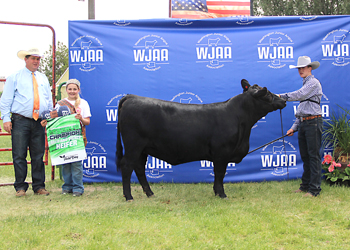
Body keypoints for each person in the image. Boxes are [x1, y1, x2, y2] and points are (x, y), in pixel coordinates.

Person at [0, 47, 53, 197]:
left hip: (39, 121)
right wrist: (5, 118)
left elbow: (47, 100)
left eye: (38, 59)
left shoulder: (43, 78)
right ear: (26, 59)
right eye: (33, 58)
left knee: (38, 155)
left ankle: (39, 186)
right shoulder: (14, 77)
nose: (36, 61)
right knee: (19, 154)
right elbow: (6, 100)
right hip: (20, 120)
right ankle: (20, 187)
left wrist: (47, 116)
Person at [279, 56, 323, 197]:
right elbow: (302, 110)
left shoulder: (313, 83)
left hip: (313, 123)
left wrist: (281, 96)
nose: (301, 70)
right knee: (306, 157)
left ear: (310, 68)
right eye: (299, 68)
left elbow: (299, 95)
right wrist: (294, 127)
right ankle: (305, 186)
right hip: (305, 123)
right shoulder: (306, 84)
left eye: (303, 68)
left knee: (313, 156)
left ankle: (314, 189)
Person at [55, 79, 91, 197]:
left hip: (78, 137)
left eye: (74, 89)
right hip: (64, 137)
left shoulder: (83, 103)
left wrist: (81, 118)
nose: (72, 91)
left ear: (78, 90)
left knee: (76, 163)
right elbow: (54, 120)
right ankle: (67, 187)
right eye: (69, 89)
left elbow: (87, 122)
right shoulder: (60, 104)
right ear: (66, 90)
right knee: (65, 162)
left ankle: (78, 188)